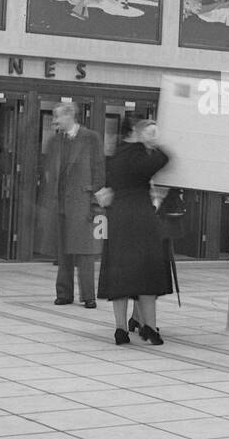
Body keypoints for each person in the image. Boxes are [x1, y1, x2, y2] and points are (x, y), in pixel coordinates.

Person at [98, 116, 174, 345]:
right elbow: (165, 158)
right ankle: (150, 327)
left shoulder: (116, 154)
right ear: (138, 133)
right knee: (146, 272)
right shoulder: (141, 155)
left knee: (119, 272)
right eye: (150, 132)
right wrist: (152, 144)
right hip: (141, 217)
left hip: (119, 216)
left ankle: (120, 329)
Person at [36, 102, 106, 308]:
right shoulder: (55, 142)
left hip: (83, 203)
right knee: (62, 251)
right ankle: (64, 294)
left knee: (84, 252)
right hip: (60, 205)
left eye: (57, 117)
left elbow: (99, 171)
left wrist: (95, 203)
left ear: (69, 116)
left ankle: (88, 296)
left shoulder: (91, 138)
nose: (55, 122)